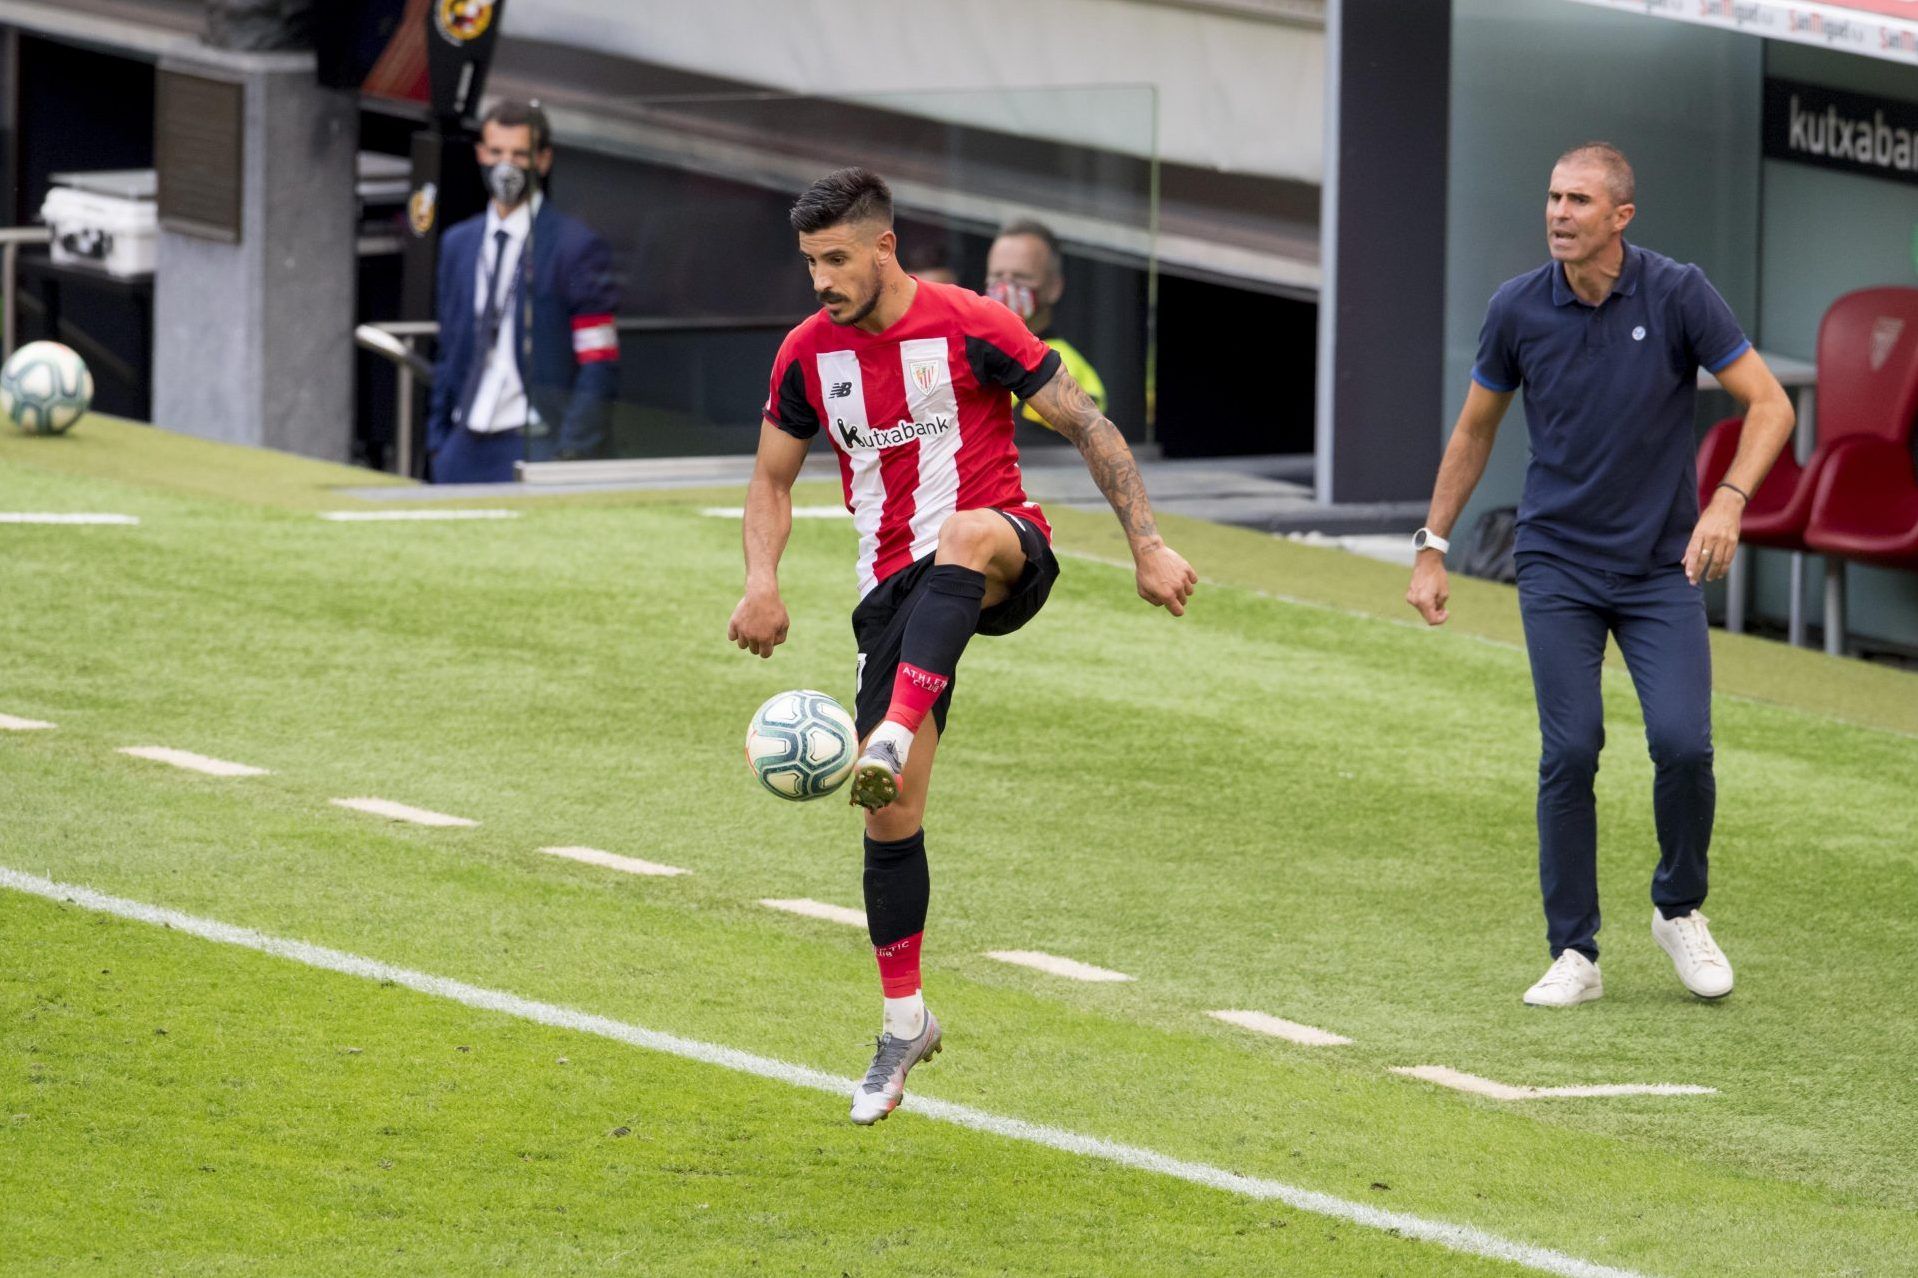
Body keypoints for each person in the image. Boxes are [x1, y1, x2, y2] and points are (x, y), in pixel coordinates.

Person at [728, 168, 1196, 1124]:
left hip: (1001, 548)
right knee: (889, 818)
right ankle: (905, 1023)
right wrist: (762, 583)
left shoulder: (973, 322)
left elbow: (1089, 424)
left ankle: (892, 732)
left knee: (964, 534)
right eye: (810, 263)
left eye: (837, 259)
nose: (820, 279)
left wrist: (1147, 544)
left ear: (885, 246)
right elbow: (772, 481)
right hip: (890, 597)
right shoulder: (806, 355)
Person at [1405, 142, 1793, 1007]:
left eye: (1578, 200)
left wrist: (1727, 501)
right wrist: (1432, 545)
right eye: (1552, 197)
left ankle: (1678, 908)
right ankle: (1575, 953)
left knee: (1685, 746)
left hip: (1662, 566)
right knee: (1571, 749)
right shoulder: (1516, 308)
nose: (1558, 213)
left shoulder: (1680, 292)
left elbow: (1770, 404)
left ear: (1621, 217)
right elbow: (1474, 433)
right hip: (1557, 565)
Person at [426, 99, 619, 483]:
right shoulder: (458, 243)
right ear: (480, 153)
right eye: (496, 152)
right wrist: (438, 441)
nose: (506, 165)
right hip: (462, 443)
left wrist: (571, 452)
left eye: (519, 153)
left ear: (543, 160)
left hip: (536, 441)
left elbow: (598, 360)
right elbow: (448, 350)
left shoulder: (575, 246)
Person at [983, 218, 1107, 433]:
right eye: (997, 276)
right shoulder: (974, 355)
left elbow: (1033, 446)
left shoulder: (1066, 368)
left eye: (1020, 277)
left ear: (1054, 287)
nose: (1005, 287)